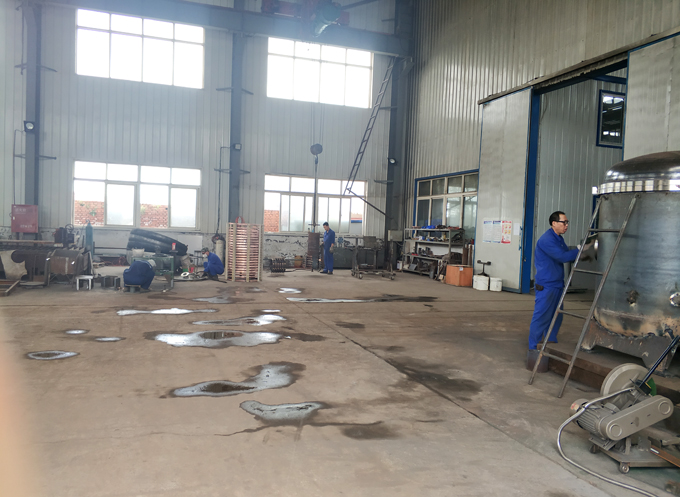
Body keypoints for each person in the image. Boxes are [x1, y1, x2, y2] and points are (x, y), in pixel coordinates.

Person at [528, 211, 586, 350]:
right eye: (563, 222)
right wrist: (580, 249)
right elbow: (563, 257)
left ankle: (550, 343)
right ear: (554, 223)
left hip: (557, 284)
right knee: (542, 317)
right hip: (546, 285)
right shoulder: (547, 240)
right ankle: (533, 348)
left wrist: (581, 252)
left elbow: (567, 254)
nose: (566, 225)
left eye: (567, 222)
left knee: (556, 316)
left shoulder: (558, 238)